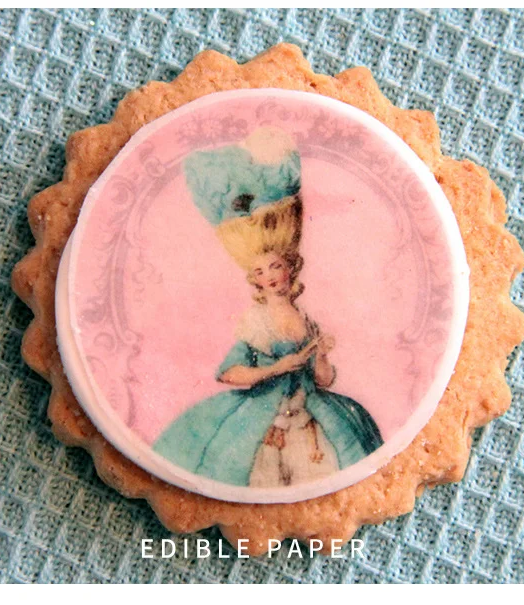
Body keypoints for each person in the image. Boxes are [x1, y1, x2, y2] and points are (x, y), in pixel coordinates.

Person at [153, 127, 383, 488]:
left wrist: (321, 355)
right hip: (266, 421)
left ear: (290, 267)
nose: (270, 276)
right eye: (260, 272)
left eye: (275, 266)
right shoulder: (257, 321)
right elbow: (229, 373)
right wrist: (276, 368)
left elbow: (323, 381)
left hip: (311, 419)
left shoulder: (306, 319)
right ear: (255, 281)